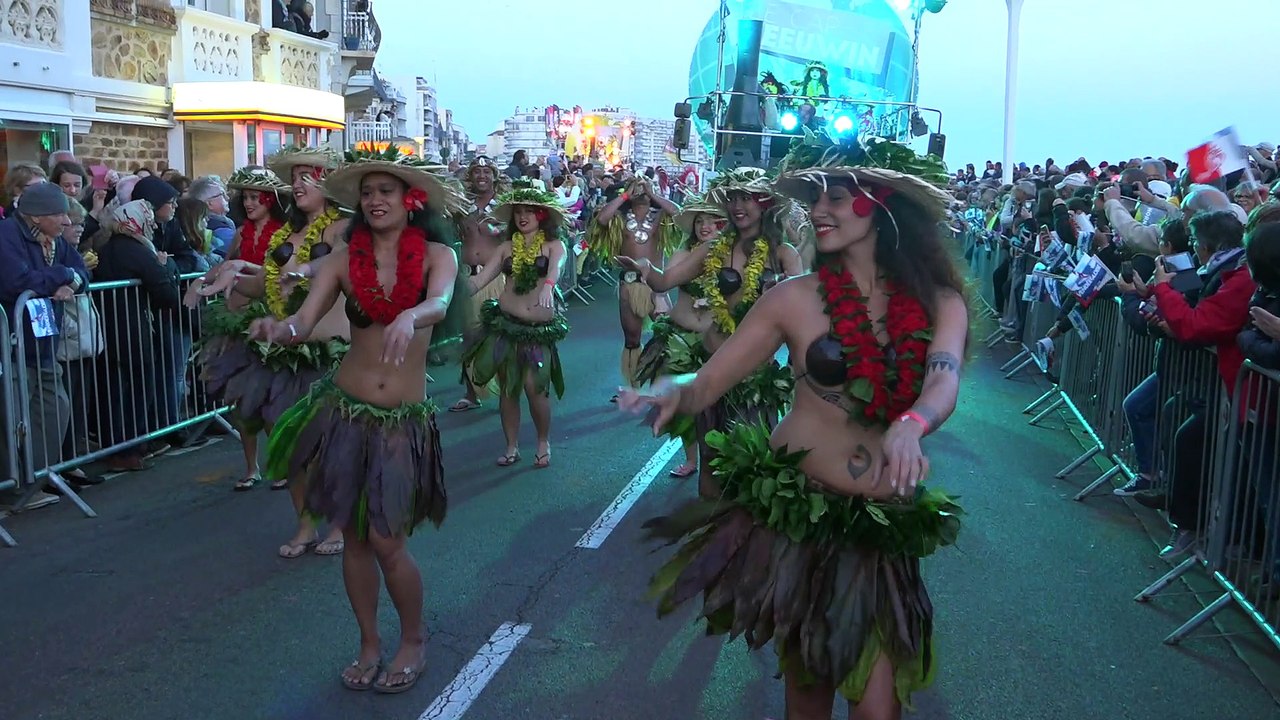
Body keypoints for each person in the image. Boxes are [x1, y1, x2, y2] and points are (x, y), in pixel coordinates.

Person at [619, 134, 967, 720]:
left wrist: (911, 423)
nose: (820, 210)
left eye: (837, 196)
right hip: (798, 518)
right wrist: (667, 391)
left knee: (878, 708)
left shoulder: (938, 302)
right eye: (815, 198)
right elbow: (708, 382)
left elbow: (943, 378)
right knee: (808, 694)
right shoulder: (794, 299)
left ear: (882, 204)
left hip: (879, 530)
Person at [253, 149, 462, 693]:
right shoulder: (344, 261)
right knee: (356, 539)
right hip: (344, 414)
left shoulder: (439, 254)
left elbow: (439, 302)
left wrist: (410, 314)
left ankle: (412, 640)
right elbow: (304, 318)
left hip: (400, 422)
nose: (374, 200)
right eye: (367, 192)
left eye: (385, 191)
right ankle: (369, 643)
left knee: (389, 541)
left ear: (409, 200)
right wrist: (280, 330)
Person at [191, 146, 349, 558]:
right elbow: (266, 285)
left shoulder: (344, 231)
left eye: (308, 175)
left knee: (327, 445)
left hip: (329, 352)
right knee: (290, 443)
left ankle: (338, 522)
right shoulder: (287, 235)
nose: (297, 183)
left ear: (329, 183)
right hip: (284, 351)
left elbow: (340, 274)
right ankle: (304, 524)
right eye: (294, 176)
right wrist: (230, 276)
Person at [617, 167, 803, 498]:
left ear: (764, 203)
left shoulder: (784, 255)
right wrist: (646, 269)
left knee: (752, 469)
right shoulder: (715, 248)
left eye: (745, 197)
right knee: (710, 463)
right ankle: (706, 532)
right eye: (732, 198)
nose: (737, 206)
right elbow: (665, 281)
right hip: (710, 368)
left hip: (754, 380)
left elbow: (797, 319)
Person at [190, 166, 292, 492]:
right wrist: (205, 278)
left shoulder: (284, 232)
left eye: (255, 197)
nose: (249, 204)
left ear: (269, 199)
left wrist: (242, 270)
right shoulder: (240, 232)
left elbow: (278, 275)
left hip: (270, 320)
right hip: (238, 322)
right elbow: (224, 265)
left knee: (274, 398)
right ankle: (252, 468)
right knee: (242, 399)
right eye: (245, 197)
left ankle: (282, 465)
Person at [463, 186, 569, 469]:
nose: (522, 217)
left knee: (535, 389)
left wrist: (548, 284)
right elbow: (481, 279)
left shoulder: (553, 246)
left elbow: (557, 267)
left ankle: (543, 441)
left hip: (537, 332)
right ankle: (511, 446)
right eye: (518, 212)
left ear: (542, 215)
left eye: (529, 211)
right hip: (506, 327)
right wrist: (450, 292)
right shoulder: (506, 247)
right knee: (509, 390)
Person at [631, 195, 726, 478]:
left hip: (714, 339)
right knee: (684, 402)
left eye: (711, 221)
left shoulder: (730, 258)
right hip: (681, 337)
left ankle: (719, 460)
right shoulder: (684, 255)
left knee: (714, 402)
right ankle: (691, 459)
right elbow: (664, 280)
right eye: (699, 221)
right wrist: (660, 299)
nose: (705, 227)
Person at [590, 176, 680, 397]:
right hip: (629, 285)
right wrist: (624, 195)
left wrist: (653, 194)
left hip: (656, 286)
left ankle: (664, 388)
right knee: (632, 339)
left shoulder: (660, 217)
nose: (640, 190)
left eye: (644, 186)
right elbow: (602, 219)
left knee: (667, 334)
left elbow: (679, 212)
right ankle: (632, 388)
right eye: (636, 187)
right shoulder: (620, 218)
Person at [450, 156, 509, 412]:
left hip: (495, 278)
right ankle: (472, 392)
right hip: (467, 277)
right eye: (477, 171)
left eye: (487, 171)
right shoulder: (461, 205)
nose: (482, 176)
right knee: (469, 336)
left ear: (494, 176)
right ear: (470, 176)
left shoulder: (505, 207)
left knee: (499, 335)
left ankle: (507, 390)